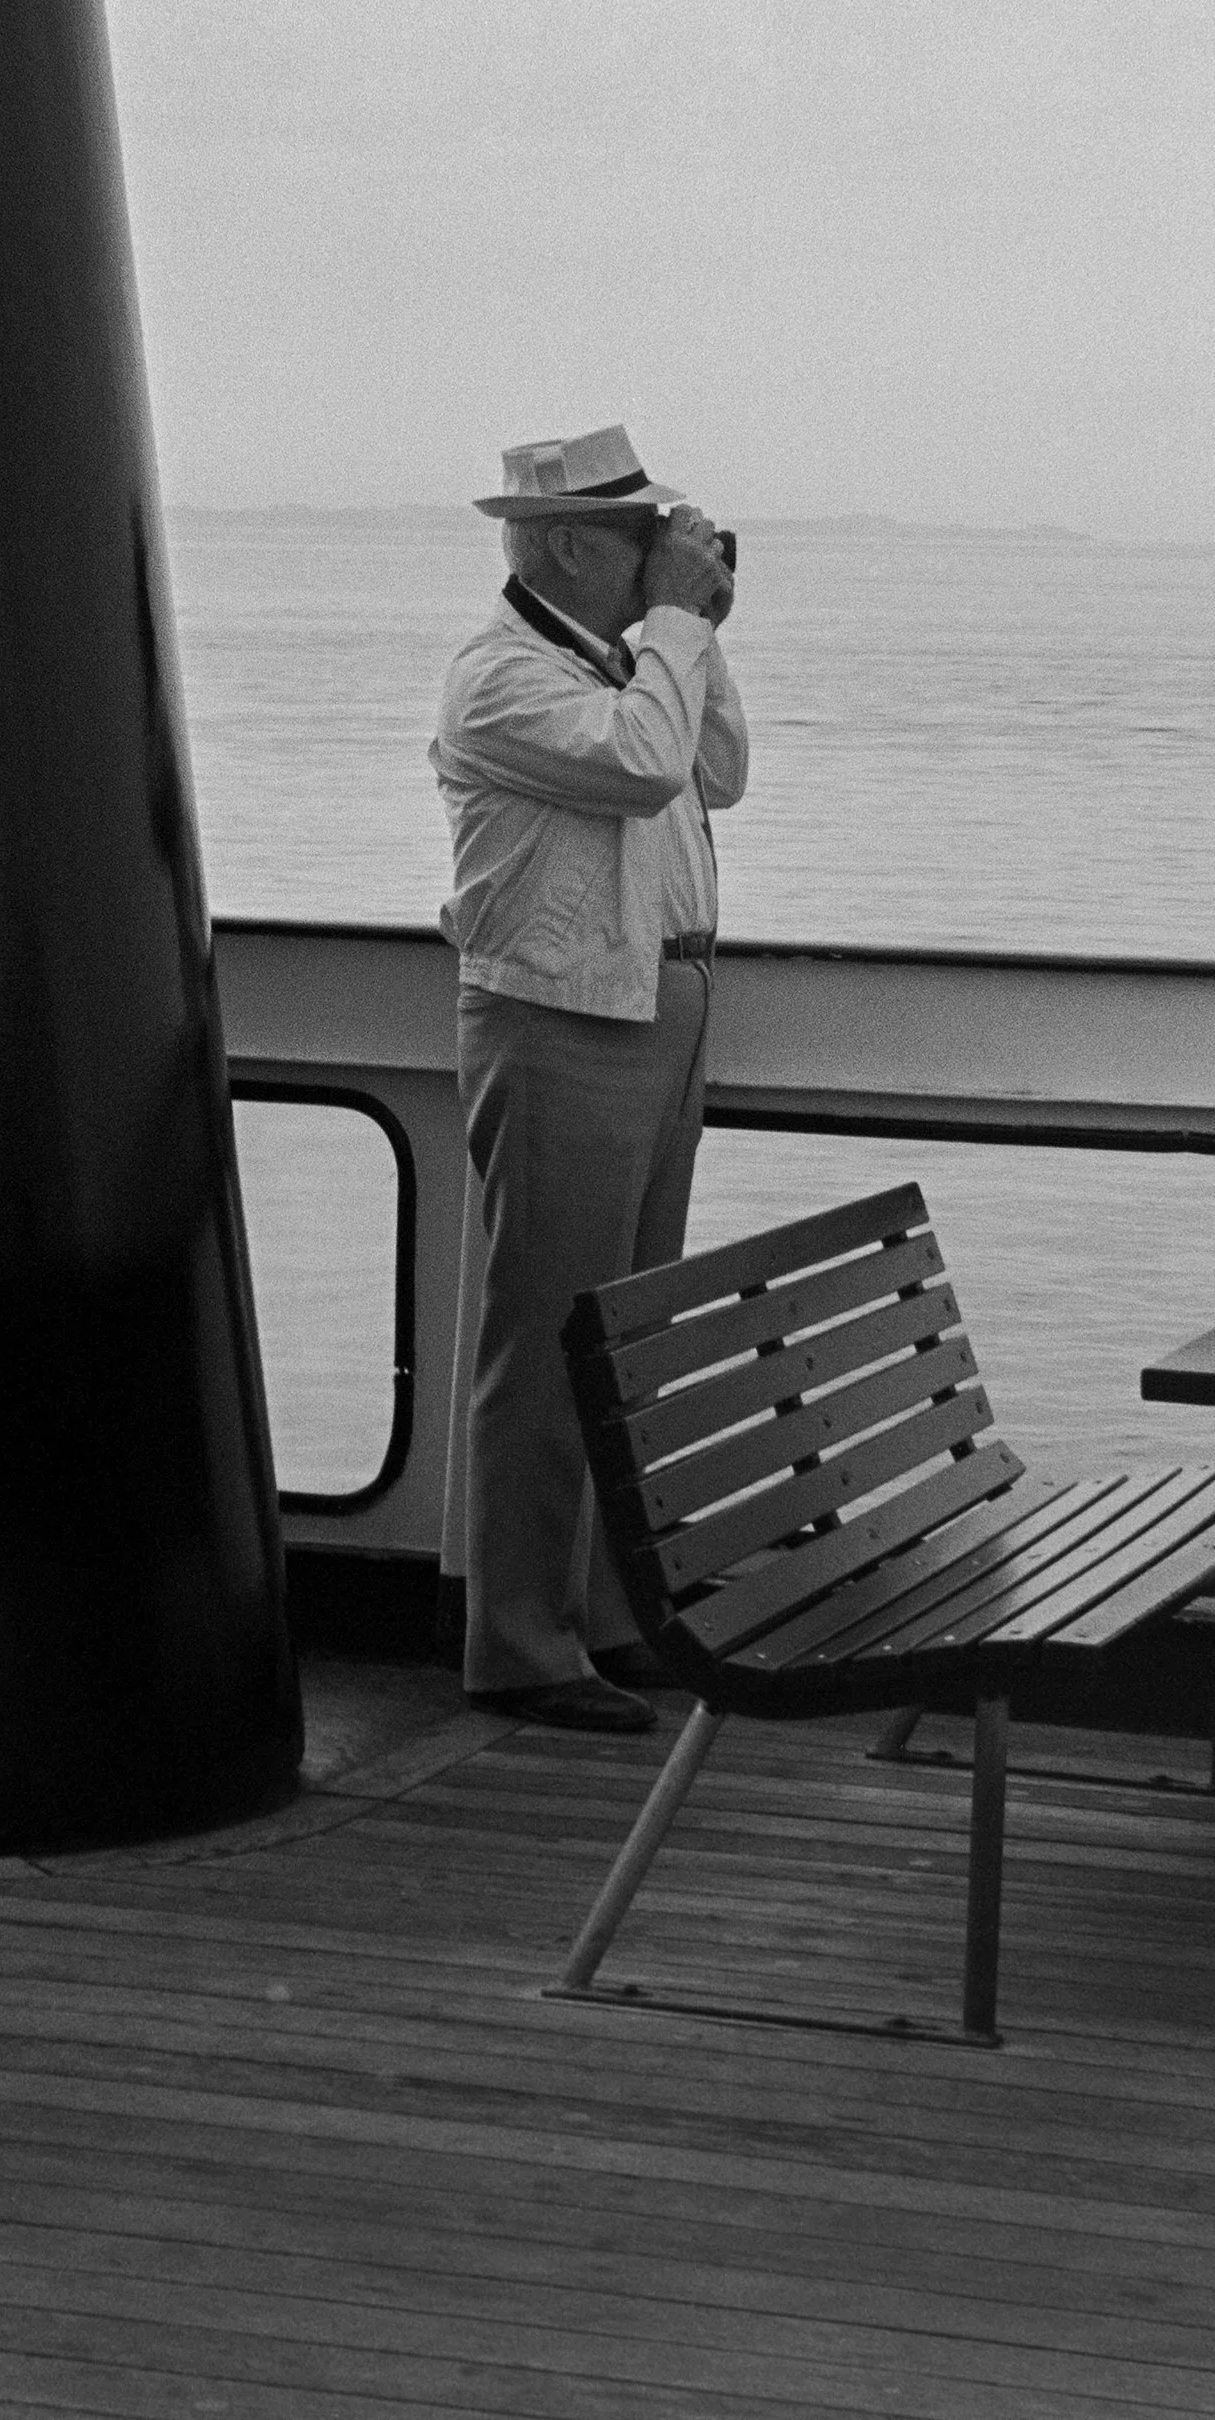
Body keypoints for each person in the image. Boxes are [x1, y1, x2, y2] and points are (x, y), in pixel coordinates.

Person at [432, 424, 748, 1732]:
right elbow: (647, 766)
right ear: (567, 543)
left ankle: (612, 1621)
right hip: (559, 1020)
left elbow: (717, 769)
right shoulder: (499, 682)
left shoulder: (624, 665)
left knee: (624, 1341)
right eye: (637, 537)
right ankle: (518, 1646)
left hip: (656, 1004)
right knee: (546, 1336)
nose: (656, 555)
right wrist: (675, 621)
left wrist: (690, 624)